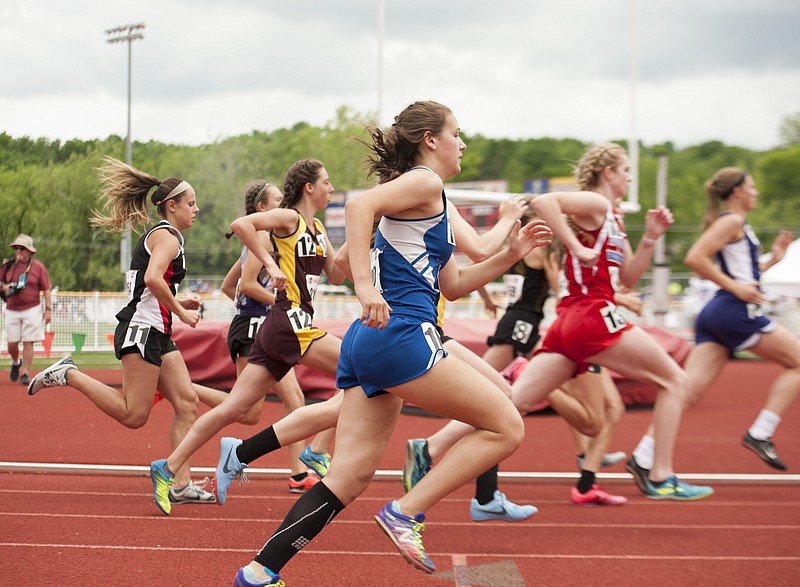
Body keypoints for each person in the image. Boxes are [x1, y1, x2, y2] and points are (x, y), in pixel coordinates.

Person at [230, 100, 552, 587]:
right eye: (457, 133)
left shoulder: (431, 207)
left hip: (371, 341)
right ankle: (407, 512)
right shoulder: (426, 182)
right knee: (507, 424)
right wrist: (365, 285)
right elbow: (359, 205)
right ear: (431, 141)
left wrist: (512, 252)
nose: (462, 143)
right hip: (402, 334)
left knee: (348, 477)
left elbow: (456, 284)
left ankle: (259, 572)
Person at [511, 142, 714, 502]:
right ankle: (659, 473)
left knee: (514, 403)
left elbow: (629, 280)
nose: (629, 178)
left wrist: (651, 237)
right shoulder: (597, 203)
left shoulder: (614, 218)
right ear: (608, 173)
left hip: (573, 320)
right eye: (626, 171)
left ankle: (430, 448)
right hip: (592, 315)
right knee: (675, 380)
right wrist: (575, 245)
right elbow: (542, 202)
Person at [150, 158, 346, 515]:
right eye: (327, 182)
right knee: (363, 367)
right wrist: (270, 264)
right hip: (291, 322)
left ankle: (168, 467)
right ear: (309, 188)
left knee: (236, 408)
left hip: (277, 328)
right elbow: (241, 225)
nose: (332, 189)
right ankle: (316, 451)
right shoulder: (290, 220)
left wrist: (368, 235)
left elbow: (335, 274)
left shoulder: (318, 228)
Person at [26, 157, 214, 506]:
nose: (196, 209)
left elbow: (153, 286)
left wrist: (178, 301)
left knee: (188, 404)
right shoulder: (168, 238)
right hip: (143, 331)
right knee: (134, 415)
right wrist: (182, 314)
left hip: (156, 332)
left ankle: (181, 484)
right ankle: (69, 374)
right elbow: (152, 279)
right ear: (171, 207)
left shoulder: (164, 237)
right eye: (191, 204)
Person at [627, 167, 797, 480]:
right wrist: (735, 288)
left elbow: (743, 272)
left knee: (686, 392)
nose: (757, 193)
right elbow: (695, 257)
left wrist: (773, 259)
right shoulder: (732, 221)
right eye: (753, 187)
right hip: (733, 310)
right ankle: (761, 432)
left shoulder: (736, 224)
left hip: (719, 312)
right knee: (798, 363)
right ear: (738, 192)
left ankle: (643, 454)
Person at [206, 179, 334, 493]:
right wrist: (278, 300)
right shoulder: (262, 236)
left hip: (266, 323)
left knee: (250, 411)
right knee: (271, 404)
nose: (285, 206)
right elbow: (246, 285)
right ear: (262, 209)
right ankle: (299, 470)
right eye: (279, 201)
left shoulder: (278, 238)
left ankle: (298, 470)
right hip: (258, 326)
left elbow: (228, 287)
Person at [2, 234, 52, 387]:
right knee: (12, 343)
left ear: (29, 251)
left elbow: (47, 289)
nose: (19, 251)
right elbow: (1, 282)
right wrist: (6, 288)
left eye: (22, 248)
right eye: (16, 248)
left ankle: (25, 373)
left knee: (28, 342)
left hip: (32, 308)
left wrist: (48, 309)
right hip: (12, 309)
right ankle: (16, 362)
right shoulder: (8, 265)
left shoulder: (38, 267)